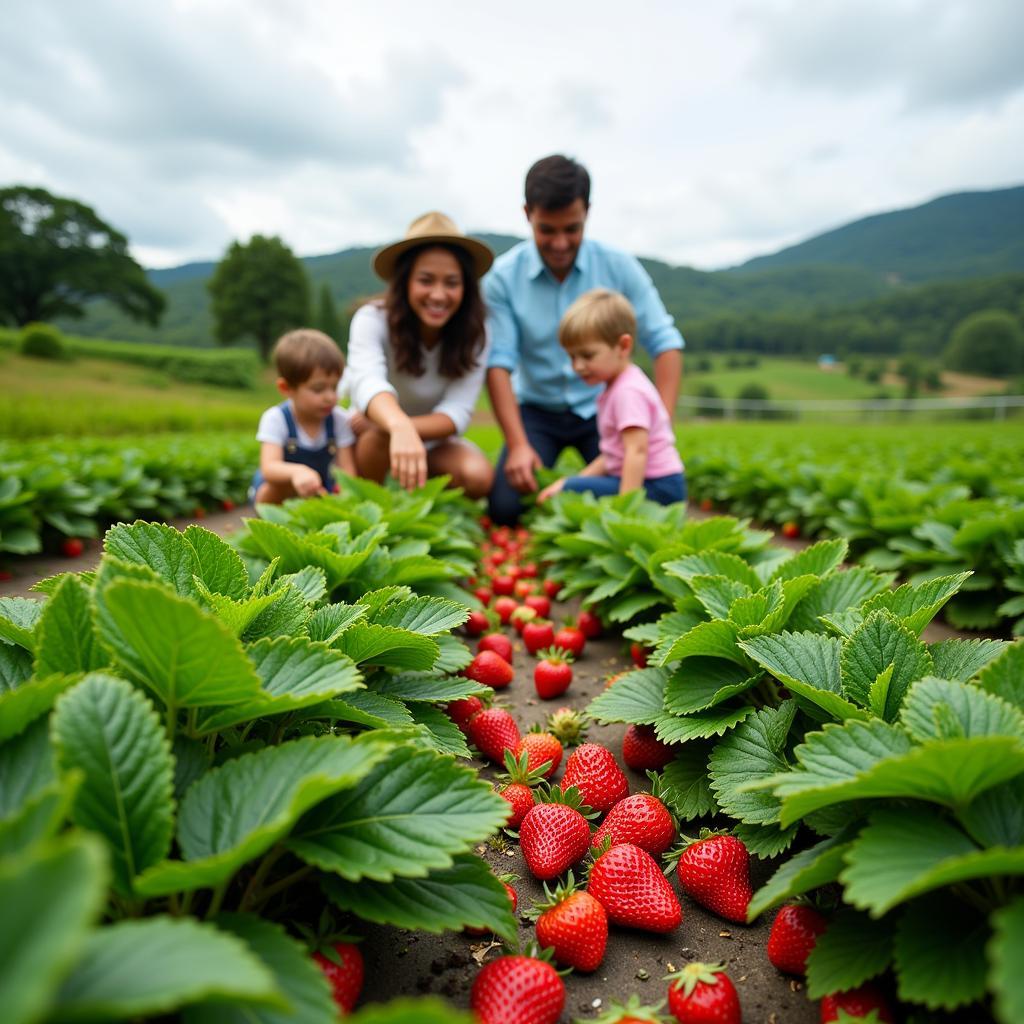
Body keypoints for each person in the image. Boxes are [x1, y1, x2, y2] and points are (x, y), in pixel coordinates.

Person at [484, 154, 685, 524]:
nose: (560, 242)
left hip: (604, 409)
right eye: (547, 230)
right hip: (537, 411)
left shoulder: (619, 266)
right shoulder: (502, 279)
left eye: (571, 229)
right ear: (527, 213)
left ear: (587, 212)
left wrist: (660, 422)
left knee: (633, 491)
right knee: (506, 506)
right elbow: (498, 362)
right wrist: (517, 445)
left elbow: (664, 341)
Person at [344, 211, 495, 497]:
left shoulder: (477, 333)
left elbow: (457, 412)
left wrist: (403, 428)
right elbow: (367, 382)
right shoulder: (372, 319)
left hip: (434, 443)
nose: (438, 295)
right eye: (426, 280)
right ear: (405, 282)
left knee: (478, 476)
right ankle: (378, 509)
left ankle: (418, 499)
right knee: (378, 438)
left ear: (466, 287)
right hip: (375, 439)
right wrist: (394, 425)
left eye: (451, 283)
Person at [538, 289, 685, 506]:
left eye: (587, 355)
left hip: (659, 486)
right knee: (572, 487)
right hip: (653, 483)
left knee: (571, 492)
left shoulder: (628, 392)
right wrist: (571, 480)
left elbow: (637, 451)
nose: (577, 366)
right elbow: (612, 455)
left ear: (623, 346)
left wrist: (624, 508)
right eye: (572, 356)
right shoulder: (617, 387)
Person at [252, 328, 356, 504]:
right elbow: (269, 467)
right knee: (273, 488)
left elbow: (347, 470)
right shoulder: (276, 418)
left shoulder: (339, 419)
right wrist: (296, 472)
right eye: (318, 389)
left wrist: (346, 498)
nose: (330, 397)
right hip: (280, 490)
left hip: (319, 490)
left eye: (334, 387)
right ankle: (266, 519)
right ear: (286, 388)